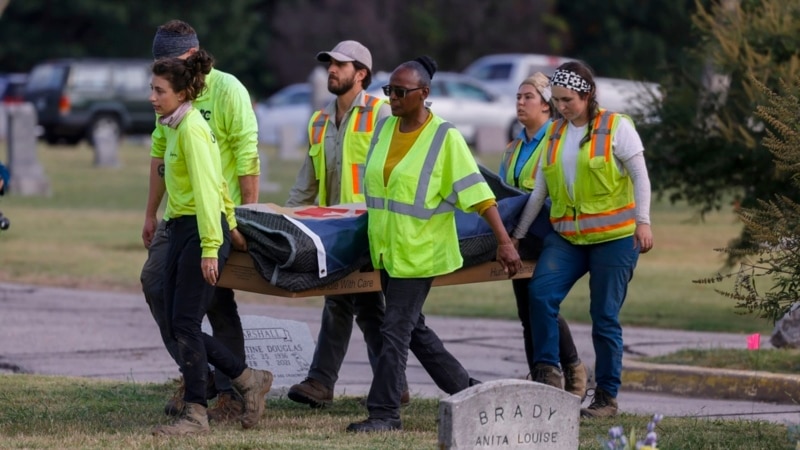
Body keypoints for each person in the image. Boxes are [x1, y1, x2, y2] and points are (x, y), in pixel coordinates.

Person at [346, 56, 523, 433]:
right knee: (414, 330)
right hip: (387, 250)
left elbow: (478, 194)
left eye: (400, 91)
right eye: (388, 90)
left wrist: (504, 242)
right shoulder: (383, 129)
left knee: (395, 330)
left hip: (421, 253)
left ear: (424, 94)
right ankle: (467, 391)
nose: (391, 97)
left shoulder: (445, 137)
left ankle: (385, 414)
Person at [511, 61, 654, 418]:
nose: (561, 107)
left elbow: (640, 176)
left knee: (604, 316)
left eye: (568, 100)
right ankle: (548, 375)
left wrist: (643, 222)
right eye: (556, 100)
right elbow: (540, 191)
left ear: (587, 95)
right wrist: (516, 236)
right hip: (568, 238)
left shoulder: (616, 127)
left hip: (614, 239)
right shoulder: (555, 133)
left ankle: (606, 398)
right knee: (539, 294)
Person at [141, 19, 260, 423]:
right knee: (158, 287)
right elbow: (160, 158)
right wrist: (150, 213)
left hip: (215, 221)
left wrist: (245, 222)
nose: (156, 88)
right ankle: (199, 375)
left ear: (191, 58)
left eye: (169, 66)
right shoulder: (170, 108)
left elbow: (246, 157)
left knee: (214, 305)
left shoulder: (225, 92)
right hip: (179, 217)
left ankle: (232, 390)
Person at [285, 40, 410, 408]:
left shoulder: (383, 113)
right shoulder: (320, 120)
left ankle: (324, 382)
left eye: (341, 65)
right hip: (335, 231)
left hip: (370, 227)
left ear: (362, 74)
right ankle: (389, 384)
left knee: (346, 301)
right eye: (330, 64)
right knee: (362, 305)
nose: (332, 70)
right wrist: (285, 218)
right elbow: (306, 181)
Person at [500, 73, 588, 399]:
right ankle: (542, 374)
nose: (520, 103)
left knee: (541, 304)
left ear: (547, 105)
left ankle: (571, 369)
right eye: (518, 97)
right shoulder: (512, 147)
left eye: (528, 97)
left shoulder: (560, 139)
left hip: (549, 231)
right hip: (518, 235)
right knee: (528, 310)